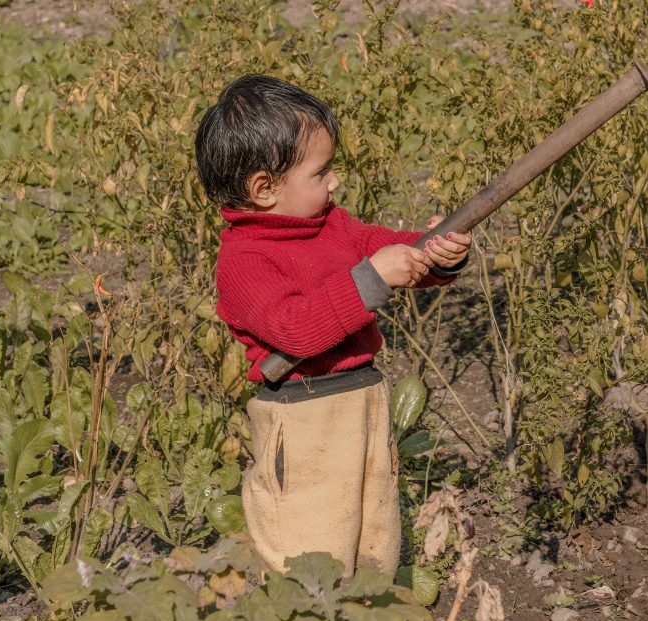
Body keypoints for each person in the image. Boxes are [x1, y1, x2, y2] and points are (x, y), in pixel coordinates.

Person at [195, 74, 471, 577]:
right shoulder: (243, 261)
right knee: (308, 547)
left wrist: (436, 250)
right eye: (321, 173)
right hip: (302, 421)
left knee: (375, 534)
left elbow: (391, 248)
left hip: (363, 402)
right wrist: (372, 278)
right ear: (264, 188)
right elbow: (296, 329)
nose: (334, 182)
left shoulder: (334, 226)